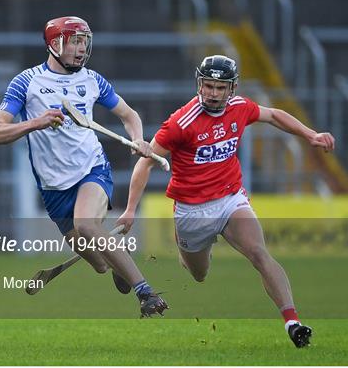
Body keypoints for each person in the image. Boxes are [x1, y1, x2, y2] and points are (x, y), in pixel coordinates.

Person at [117, 55, 335, 346]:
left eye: (221, 87)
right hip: (192, 210)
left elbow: (273, 115)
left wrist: (310, 135)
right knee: (198, 273)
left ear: (232, 88)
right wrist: (131, 209)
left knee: (259, 254)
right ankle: (178, 253)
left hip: (230, 199)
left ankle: (292, 323)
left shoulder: (240, 107)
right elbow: (145, 163)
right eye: (209, 86)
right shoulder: (181, 123)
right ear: (199, 84)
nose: (214, 94)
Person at [0, 16, 168, 317]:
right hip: (54, 189)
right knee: (99, 263)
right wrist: (37, 121)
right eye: (75, 42)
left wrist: (138, 138)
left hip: (92, 170)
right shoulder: (26, 82)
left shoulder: (92, 80)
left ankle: (145, 293)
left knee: (86, 224)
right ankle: (116, 263)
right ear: (55, 44)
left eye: (85, 42)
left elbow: (128, 114)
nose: (82, 49)